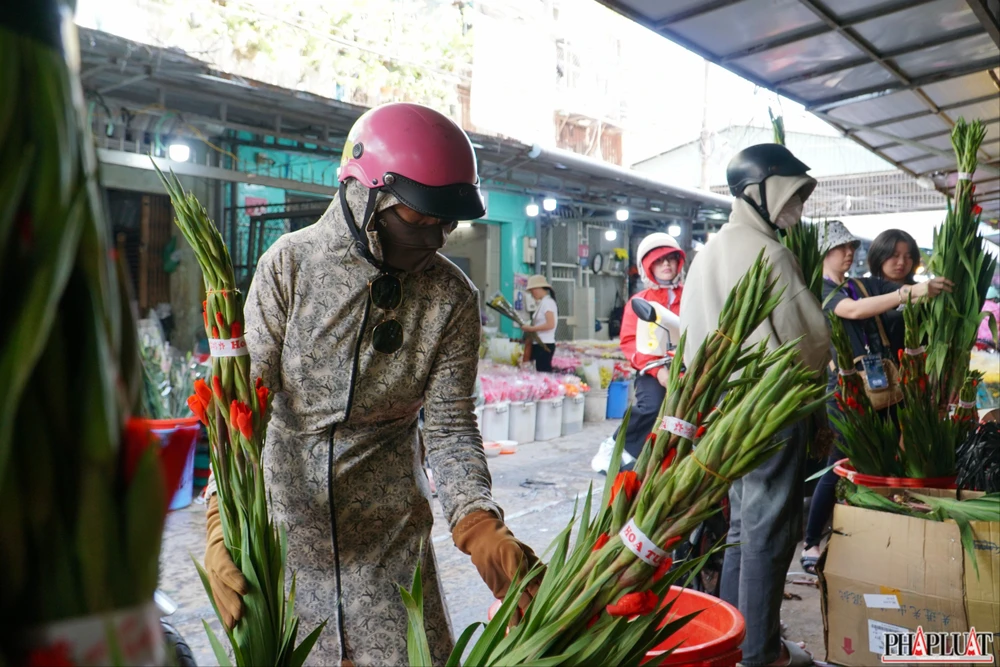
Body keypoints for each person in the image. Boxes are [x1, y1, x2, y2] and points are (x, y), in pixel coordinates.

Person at [202, 103, 539, 667]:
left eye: (445, 222)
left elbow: (451, 428)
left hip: (391, 545)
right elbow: (242, 410)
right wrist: (223, 518)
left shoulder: (450, 299)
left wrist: (478, 521)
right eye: (418, 217)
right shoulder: (290, 268)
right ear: (365, 196)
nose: (433, 237)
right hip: (286, 542)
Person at [680, 144, 831, 667]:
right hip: (770, 409)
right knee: (770, 528)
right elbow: (810, 341)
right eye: (792, 194)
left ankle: (740, 641)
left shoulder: (712, 250)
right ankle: (761, 652)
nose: (798, 207)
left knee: (745, 526)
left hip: (725, 412)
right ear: (758, 192)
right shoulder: (769, 253)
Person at [800, 221, 953, 576]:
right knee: (839, 463)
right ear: (825, 253)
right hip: (845, 388)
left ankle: (866, 531)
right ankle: (811, 540)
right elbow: (853, 311)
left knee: (881, 456)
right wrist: (909, 295)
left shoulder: (861, 284)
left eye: (852, 247)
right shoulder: (821, 291)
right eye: (841, 248)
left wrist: (933, 289)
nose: (848, 253)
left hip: (885, 385)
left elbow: (901, 288)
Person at [592, 233, 685, 473]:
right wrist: (659, 370)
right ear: (647, 266)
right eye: (659, 260)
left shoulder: (691, 296)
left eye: (671, 259)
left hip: (690, 367)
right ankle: (616, 445)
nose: (666, 264)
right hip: (653, 370)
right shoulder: (639, 301)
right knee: (650, 406)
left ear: (679, 263)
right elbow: (631, 341)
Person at [520, 275, 558, 372]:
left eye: (532, 291)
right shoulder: (543, 303)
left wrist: (531, 329)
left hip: (545, 344)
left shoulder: (547, 303)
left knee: (543, 374)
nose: (532, 294)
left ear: (537, 289)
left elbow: (550, 324)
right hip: (540, 344)